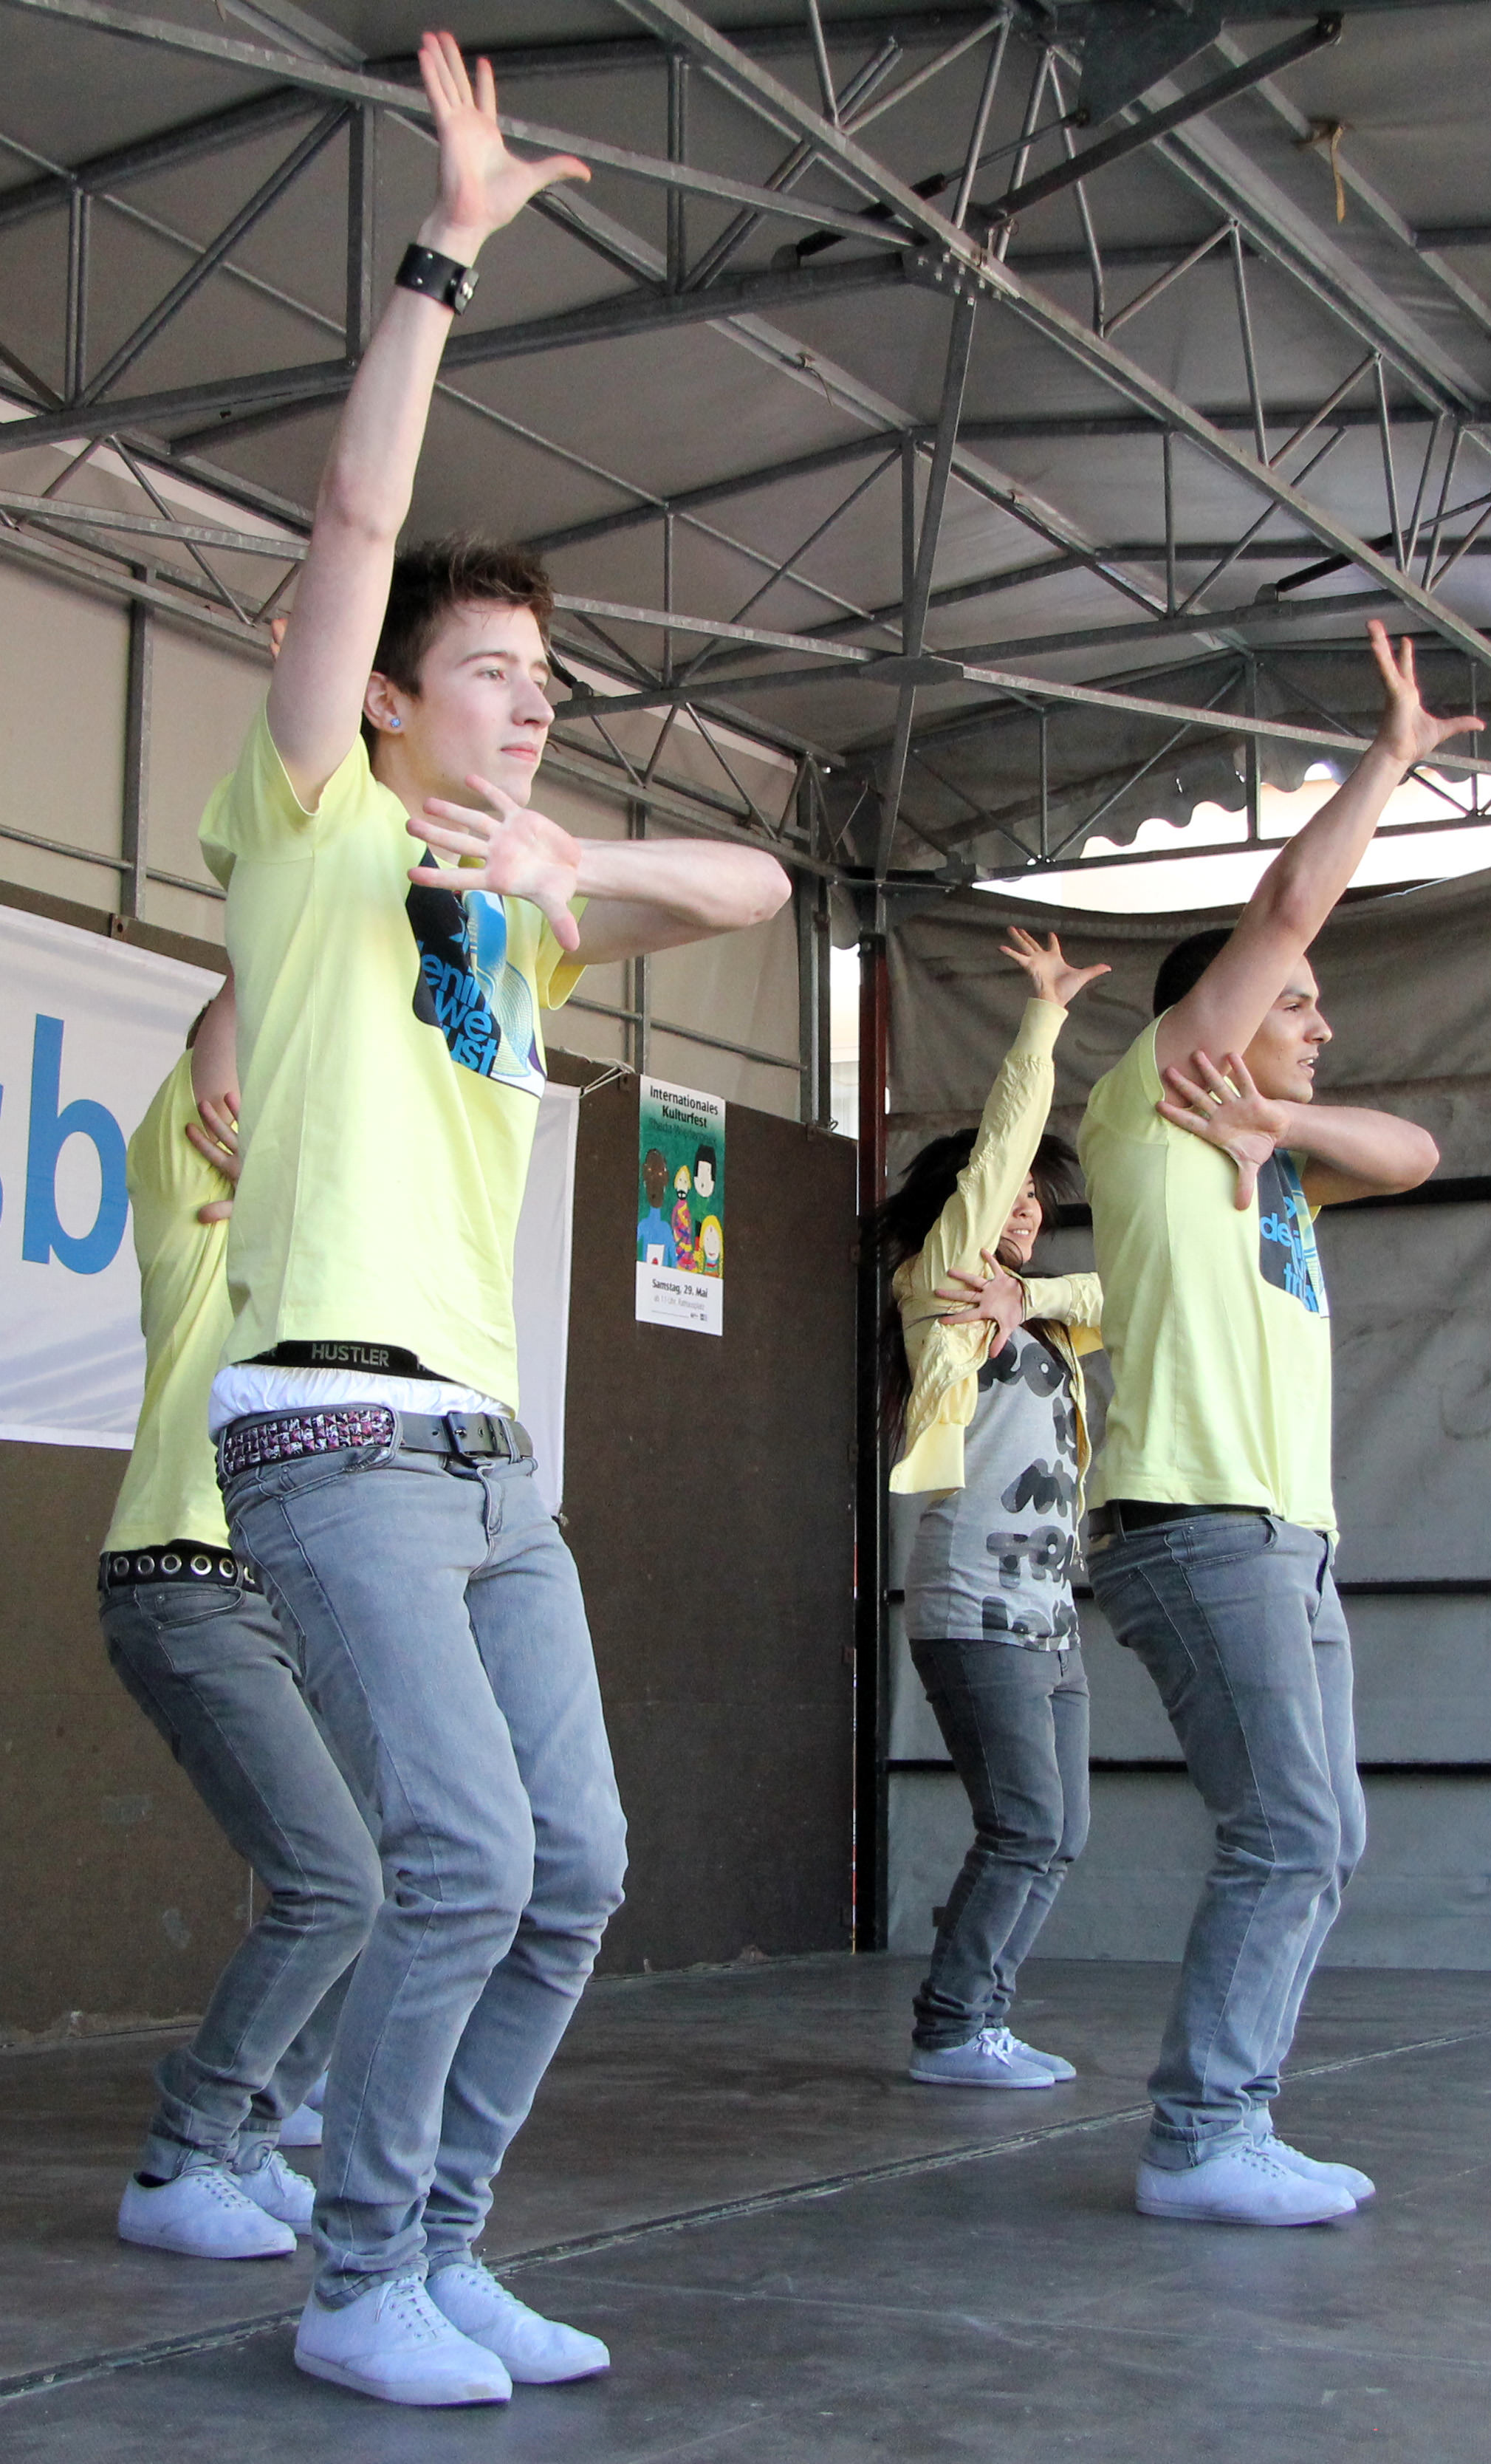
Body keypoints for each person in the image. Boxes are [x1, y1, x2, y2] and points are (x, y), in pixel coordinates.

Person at [200, 32, 789, 2409]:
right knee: (455, 1855)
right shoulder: (314, 819)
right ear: (388, 703)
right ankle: (353, 2280)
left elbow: (753, 889)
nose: (532, 709)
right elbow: (356, 522)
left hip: (485, 1457)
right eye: (493, 679)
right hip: (329, 1432)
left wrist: (571, 859)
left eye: (550, 686)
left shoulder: (533, 905)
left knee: (575, 1868)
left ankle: (437, 2252)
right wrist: (444, 254)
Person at [1080, 621, 1468, 2228]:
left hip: (1288, 1539)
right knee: (1291, 1826)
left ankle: (1231, 2119)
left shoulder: (1277, 1160)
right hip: (1194, 1522)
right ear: (1210, 1019)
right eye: (1292, 1008)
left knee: (1328, 1830)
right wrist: (1386, 759)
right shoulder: (1152, 1105)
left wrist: (1284, 1124)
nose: (1317, 1021)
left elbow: (1420, 1153)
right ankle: (1200, 2136)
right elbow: (1287, 906)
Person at [103, 985, 379, 2261]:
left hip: (272, 1595)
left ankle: (250, 2134)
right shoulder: (192, 1187)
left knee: (378, 1876)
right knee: (336, 1881)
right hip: (182, 1580)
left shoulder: (303, 1258)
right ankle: (183, 2159)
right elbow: (244, 1005)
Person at [880, 928, 1110, 2090]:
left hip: (1050, 1614)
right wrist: (1043, 1019)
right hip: (975, 1602)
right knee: (1023, 1824)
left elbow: (1139, 1295)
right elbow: (1006, 1139)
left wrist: (1041, 1295)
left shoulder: (1037, 1310)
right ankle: (952, 2026)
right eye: (1006, 1192)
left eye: (1033, 1199)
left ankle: (982, 2017)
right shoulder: (942, 1290)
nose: (1021, 1205)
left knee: (1059, 1833)